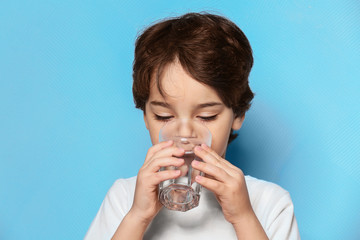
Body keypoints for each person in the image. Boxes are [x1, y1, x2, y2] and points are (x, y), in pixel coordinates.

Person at [84, 12, 300, 240]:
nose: (185, 134)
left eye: (206, 116)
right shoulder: (125, 198)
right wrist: (138, 217)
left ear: (238, 113)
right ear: (146, 116)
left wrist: (244, 217)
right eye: (164, 115)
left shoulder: (270, 202)